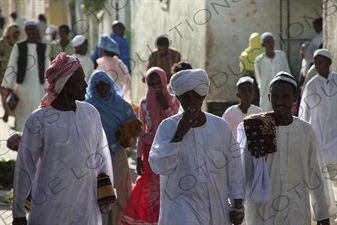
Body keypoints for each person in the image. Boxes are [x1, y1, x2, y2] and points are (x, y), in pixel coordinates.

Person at [11, 52, 114, 225]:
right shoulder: (39, 120)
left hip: (86, 205)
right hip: (51, 207)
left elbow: (101, 156)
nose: (85, 85)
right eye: (80, 81)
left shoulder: (90, 113)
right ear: (64, 85)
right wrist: (19, 212)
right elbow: (24, 168)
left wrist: (105, 196)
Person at [238, 71, 337, 225]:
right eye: (275, 97)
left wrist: (322, 213)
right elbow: (244, 171)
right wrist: (237, 207)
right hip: (263, 213)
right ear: (269, 97)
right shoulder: (257, 129)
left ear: (295, 98)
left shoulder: (305, 131)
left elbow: (316, 173)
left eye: (285, 97)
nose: (280, 101)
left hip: (296, 211)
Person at [148, 69, 245, 225]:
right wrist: (179, 134)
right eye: (185, 97)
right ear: (178, 98)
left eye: (195, 96)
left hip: (215, 207)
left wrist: (238, 206)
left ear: (203, 97)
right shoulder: (168, 127)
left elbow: (234, 167)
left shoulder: (220, 127)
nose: (190, 101)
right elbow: (158, 165)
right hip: (180, 205)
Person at [123, 67, 180, 225]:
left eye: (158, 83)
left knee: (166, 184)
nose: (156, 87)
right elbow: (143, 131)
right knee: (150, 186)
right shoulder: (144, 103)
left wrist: (165, 106)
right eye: (152, 83)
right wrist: (139, 156)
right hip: (150, 150)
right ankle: (149, 220)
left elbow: (176, 125)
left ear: (164, 82)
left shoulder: (174, 101)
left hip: (168, 148)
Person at [85, 70, 138, 225]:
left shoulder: (122, 107)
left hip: (118, 156)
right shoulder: (87, 107)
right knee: (99, 194)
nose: (102, 89)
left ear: (111, 86)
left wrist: (127, 136)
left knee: (119, 193)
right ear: (93, 87)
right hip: (94, 157)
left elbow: (135, 131)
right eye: (98, 85)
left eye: (106, 85)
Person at [1, 20, 50, 131]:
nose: (31, 32)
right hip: (22, 87)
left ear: (36, 30)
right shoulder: (19, 47)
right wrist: (8, 86)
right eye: (29, 29)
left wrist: (49, 88)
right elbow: (12, 66)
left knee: (38, 114)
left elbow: (47, 67)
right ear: (26, 31)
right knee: (23, 116)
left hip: (39, 86)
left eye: (33, 29)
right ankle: (22, 142)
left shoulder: (43, 47)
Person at [299, 49, 337, 181]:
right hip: (318, 132)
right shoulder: (311, 85)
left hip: (335, 133)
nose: (318, 66)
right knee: (321, 170)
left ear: (329, 62)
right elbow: (304, 110)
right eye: (316, 63)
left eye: (321, 62)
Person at [254, 32, 290, 112]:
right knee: (266, 112)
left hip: (282, 89)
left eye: (272, 41)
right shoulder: (259, 60)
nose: (270, 44)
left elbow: (287, 72)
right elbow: (259, 78)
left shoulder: (281, 55)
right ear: (263, 45)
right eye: (267, 42)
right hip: (266, 91)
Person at [95, 34, 131, 103]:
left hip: (106, 101)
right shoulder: (121, 64)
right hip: (119, 100)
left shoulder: (103, 63)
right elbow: (128, 82)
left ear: (102, 49)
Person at [0, 23, 20, 123]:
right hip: (4, 74)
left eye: (17, 33)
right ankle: (7, 112)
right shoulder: (2, 43)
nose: (16, 35)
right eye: (14, 33)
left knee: (17, 95)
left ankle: (16, 116)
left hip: (16, 74)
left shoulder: (19, 44)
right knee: (4, 96)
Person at [240, 32, 265, 106]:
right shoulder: (264, 53)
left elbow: (242, 69)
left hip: (247, 81)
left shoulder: (244, 54)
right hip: (260, 81)